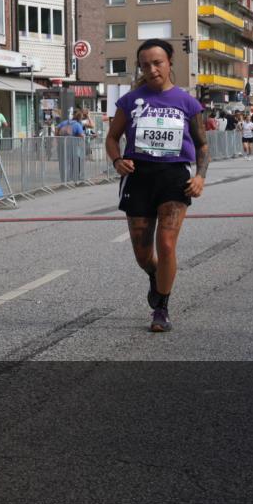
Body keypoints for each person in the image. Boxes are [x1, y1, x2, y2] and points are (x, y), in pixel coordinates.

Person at [105, 39, 209, 333]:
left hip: (174, 177)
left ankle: (161, 307)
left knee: (166, 244)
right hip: (138, 177)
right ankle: (155, 276)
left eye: (157, 63)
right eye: (145, 65)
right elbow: (111, 138)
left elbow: (202, 145)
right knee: (142, 254)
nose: (151, 69)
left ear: (169, 63)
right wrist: (117, 161)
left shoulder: (187, 102)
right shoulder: (130, 101)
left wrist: (200, 176)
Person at [56, 111, 85, 183]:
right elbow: (82, 135)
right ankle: (73, 178)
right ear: (80, 119)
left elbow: (57, 128)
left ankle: (63, 179)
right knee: (73, 162)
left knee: (63, 162)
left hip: (62, 145)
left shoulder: (65, 122)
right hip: (72, 146)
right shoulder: (77, 125)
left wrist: (57, 138)